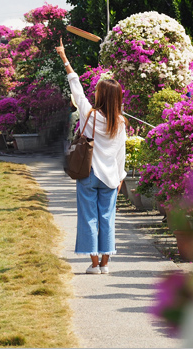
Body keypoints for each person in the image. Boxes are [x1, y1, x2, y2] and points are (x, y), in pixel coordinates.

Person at [56, 38, 127, 274]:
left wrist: (64, 58)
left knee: (88, 217)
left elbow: (75, 85)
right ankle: (106, 264)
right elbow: (120, 153)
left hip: (88, 173)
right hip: (110, 176)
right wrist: (121, 178)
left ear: (101, 96)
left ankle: (94, 264)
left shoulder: (90, 114)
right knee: (107, 218)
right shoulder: (121, 123)